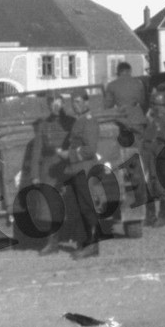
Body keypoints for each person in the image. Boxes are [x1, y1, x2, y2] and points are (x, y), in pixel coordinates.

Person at [62, 91, 104, 258]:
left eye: (78, 101)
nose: (75, 105)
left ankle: (93, 245)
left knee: (87, 207)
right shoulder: (79, 121)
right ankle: (85, 243)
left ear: (87, 103)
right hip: (76, 169)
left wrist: (69, 155)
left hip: (84, 169)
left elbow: (90, 149)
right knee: (78, 208)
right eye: (73, 102)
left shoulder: (89, 121)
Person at [142, 91, 165, 226]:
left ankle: (162, 216)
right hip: (147, 153)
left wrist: (155, 123)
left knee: (161, 186)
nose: (159, 108)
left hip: (161, 153)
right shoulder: (146, 118)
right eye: (156, 105)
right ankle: (150, 215)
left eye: (161, 105)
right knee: (146, 185)